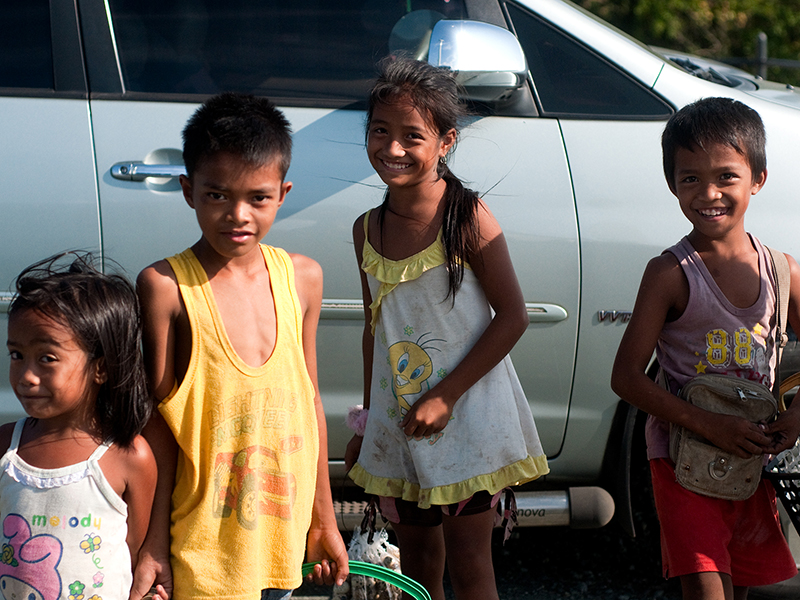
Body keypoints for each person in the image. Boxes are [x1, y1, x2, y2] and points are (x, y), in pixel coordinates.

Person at [344, 58, 549, 600]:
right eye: (379, 132)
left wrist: (446, 396)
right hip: (401, 423)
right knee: (417, 561)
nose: (392, 148)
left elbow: (514, 316)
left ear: (446, 141)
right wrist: (367, 421)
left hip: (467, 421)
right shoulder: (366, 228)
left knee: (468, 561)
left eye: (412, 136)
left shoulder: (467, 216)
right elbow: (375, 328)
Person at [132, 92, 348, 600]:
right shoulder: (166, 286)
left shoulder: (302, 278)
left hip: (280, 544)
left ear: (283, 192)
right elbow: (155, 425)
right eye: (217, 195)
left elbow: (308, 404)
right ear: (188, 190)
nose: (237, 215)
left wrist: (324, 520)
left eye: (258, 197)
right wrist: (152, 545)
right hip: (202, 554)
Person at [611, 97, 800, 600]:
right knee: (705, 585)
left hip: (749, 459)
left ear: (758, 178)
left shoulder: (783, 272)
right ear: (673, 183)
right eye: (690, 178)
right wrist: (709, 424)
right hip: (681, 459)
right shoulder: (670, 274)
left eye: (726, 177)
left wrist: (797, 415)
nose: (709, 193)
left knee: (738, 587)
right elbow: (626, 378)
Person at [0, 253, 158, 600]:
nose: (26, 376)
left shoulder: (128, 457)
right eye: (16, 355)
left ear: (101, 368)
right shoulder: (6, 447)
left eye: (47, 358)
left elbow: (130, 553)